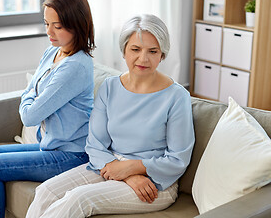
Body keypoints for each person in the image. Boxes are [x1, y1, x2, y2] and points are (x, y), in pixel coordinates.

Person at [26, 14, 195, 218]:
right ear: (124, 51)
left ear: (162, 55)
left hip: (155, 184)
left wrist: (132, 168)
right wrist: (124, 173)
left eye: (153, 51)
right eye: (135, 49)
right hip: (109, 167)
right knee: (46, 191)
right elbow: (95, 143)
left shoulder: (177, 97)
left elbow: (178, 159)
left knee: (78, 199)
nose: (143, 58)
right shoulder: (110, 87)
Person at [0, 0, 95, 218]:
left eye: (58, 26)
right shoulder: (52, 52)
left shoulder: (75, 66)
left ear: (77, 24)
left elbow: (30, 115)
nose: (49, 32)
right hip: (51, 146)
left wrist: (29, 97)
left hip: (72, 155)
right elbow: (30, 92)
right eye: (46, 24)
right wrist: (30, 96)